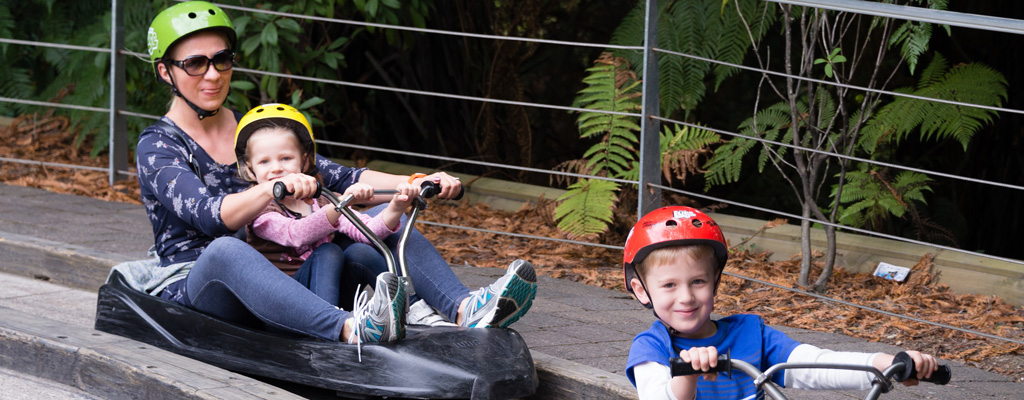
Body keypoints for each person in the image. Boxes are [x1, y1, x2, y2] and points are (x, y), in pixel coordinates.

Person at [134, 1, 537, 347]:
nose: (212, 74)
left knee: (377, 231)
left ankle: (465, 309)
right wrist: (275, 190)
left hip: (291, 274)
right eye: (194, 63)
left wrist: (416, 183)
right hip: (204, 282)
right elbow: (210, 215)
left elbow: (343, 178)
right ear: (165, 72)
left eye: (221, 59)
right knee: (226, 250)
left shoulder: (252, 132)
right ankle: (348, 330)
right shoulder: (159, 146)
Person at [623, 206, 940, 400]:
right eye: (668, 285)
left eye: (698, 281)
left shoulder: (751, 334)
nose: (686, 296)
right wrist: (686, 375)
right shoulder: (651, 348)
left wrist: (882, 364)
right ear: (641, 290)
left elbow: (813, 365)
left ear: (715, 281)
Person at [236, 103, 417, 309]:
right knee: (329, 251)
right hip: (285, 302)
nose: (276, 168)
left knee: (360, 252)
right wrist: (340, 206)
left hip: (329, 293)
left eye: (286, 158)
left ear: (304, 161)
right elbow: (295, 234)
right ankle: (330, 325)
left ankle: (412, 307)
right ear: (250, 170)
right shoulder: (260, 209)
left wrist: (396, 207)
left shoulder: (322, 201)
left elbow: (368, 232)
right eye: (264, 162)